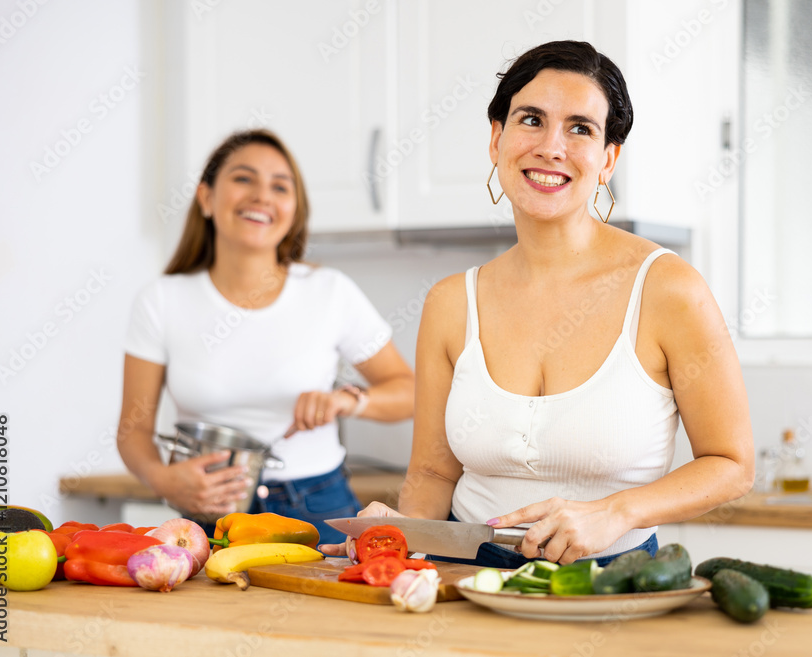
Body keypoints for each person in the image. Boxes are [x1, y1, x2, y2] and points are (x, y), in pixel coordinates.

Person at [321, 41, 753, 567]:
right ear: (498, 139)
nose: (552, 147)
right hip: (466, 579)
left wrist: (617, 512)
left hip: (609, 584)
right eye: (531, 119)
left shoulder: (669, 290)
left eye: (580, 128)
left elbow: (731, 463)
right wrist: (399, 536)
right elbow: (434, 474)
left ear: (608, 159)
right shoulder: (452, 302)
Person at [117, 129, 415, 544]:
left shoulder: (329, 291)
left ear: (293, 210)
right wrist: (163, 479)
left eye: (280, 186)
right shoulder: (162, 300)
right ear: (206, 197)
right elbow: (132, 431)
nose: (262, 196)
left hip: (317, 506)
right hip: (205, 511)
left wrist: (347, 399)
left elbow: (410, 392)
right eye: (243, 178)